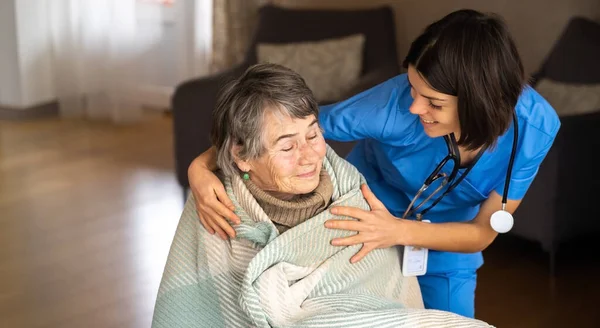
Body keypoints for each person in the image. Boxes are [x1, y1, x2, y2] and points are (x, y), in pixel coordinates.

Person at [187, 9, 560, 319]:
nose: (415, 107)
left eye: (433, 102)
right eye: (413, 88)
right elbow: (288, 128)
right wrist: (202, 167)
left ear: (479, 101)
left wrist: (398, 231)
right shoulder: (389, 106)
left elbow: (482, 231)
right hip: (358, 221)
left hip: (445, 242)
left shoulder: (535, 129)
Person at [152, 62, 494, 328]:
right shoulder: (214, 206)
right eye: (287, 146)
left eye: (313, 136)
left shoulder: (351, 193)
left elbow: (379, 304)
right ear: (241, 155)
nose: (309, 156)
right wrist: (201, 166)